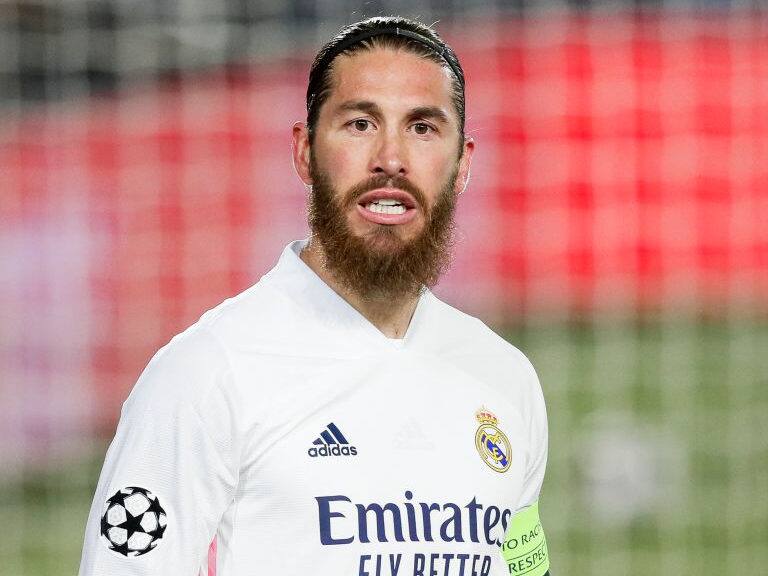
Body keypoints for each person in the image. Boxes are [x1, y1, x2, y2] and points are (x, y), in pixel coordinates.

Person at [79, 16, 551, 576]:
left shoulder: (504, 377)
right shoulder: (206, 372)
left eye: (423, 128)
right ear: (304, 151)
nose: (391, 159)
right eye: (359, 124)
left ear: (464, 163)